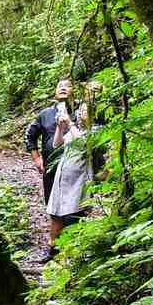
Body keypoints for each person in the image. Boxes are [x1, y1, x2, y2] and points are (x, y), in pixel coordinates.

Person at [45, 101, 101, 253]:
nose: (81, 113)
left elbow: (83, 145)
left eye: (86, 111)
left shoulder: (95, 130)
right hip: (62, 178)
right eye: (80, 110)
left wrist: (70, 124)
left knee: (73, 215)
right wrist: (60, 127)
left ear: (93, 114)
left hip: (79, 179)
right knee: (56, 214)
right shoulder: (74, 128)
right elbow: (57, 145)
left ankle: (71, 254)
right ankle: (52, 250)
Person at [24, 77, 75, 204]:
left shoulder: (80, 112)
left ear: (74, 91)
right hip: (51, 167)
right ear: (55, 92)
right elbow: (30, 135)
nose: (63, 88)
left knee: (74, 207)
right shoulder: (45, 114)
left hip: (75, 167)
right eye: (60, 86)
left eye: (67, 86)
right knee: (53, 205)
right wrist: (36, 158)